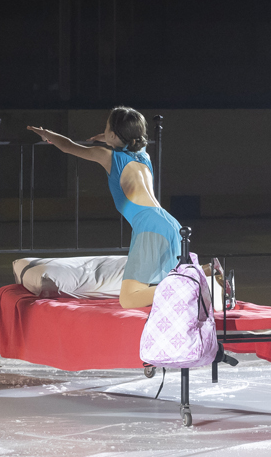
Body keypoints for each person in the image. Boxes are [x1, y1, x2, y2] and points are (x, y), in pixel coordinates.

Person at [26, 108, 181, 309]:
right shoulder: (144, 156)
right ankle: (204, 274)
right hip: (170, 224)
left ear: (114, 135)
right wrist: (109, 137)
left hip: (149, 227)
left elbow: (69, 147)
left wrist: (47, 134)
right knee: (161, 282)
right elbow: (128, 141)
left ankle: (198, 283)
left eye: (107, 128)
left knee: (129, 299)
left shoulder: (107, 156)